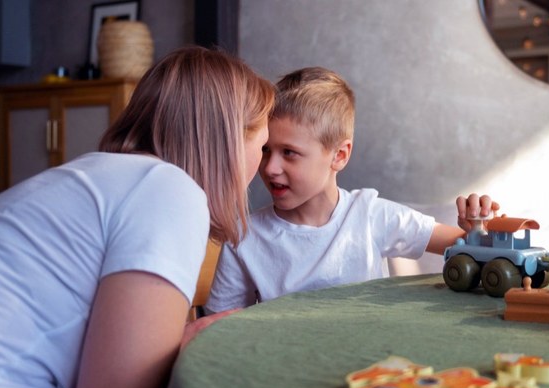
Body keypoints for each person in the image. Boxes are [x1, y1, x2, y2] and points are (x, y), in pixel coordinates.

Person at [0, 46, 274, 388]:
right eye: (263, 146)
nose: (265, 166)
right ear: (227, 140)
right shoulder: (169, 191)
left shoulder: (91, 178)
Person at [204, 67, 497, 314]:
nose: (270, 168)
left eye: (289, 153)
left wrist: (475, 229)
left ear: (339, 156)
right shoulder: (242, 237)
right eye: (266, 150)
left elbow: (470, 248)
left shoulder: (370, 215)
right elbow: (220, 328)